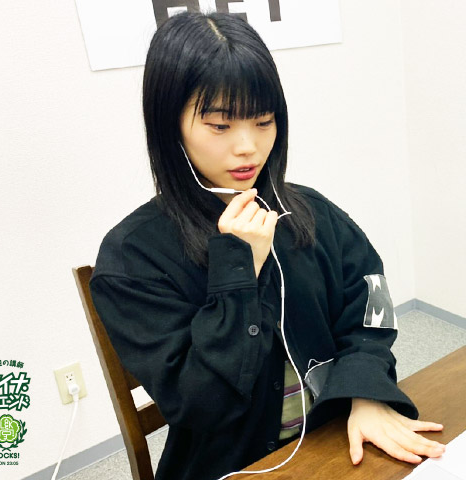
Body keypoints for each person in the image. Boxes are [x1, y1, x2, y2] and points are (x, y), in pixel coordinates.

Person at [89, 11, 445, 480]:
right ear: (169, 125)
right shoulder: (132, 258)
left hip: (336, 438)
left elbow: (370, 308)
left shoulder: (310, 212)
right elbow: (200, 404)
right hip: (232, 466)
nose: (248, 148)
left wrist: (366, 394)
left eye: (263, 121)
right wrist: (237, 270)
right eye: (220, 126)